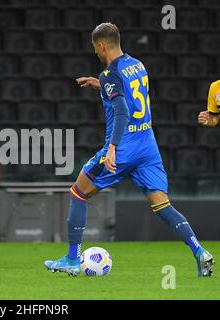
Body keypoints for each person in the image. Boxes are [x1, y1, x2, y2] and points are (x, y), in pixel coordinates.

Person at [44, 23, 213, 277]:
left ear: (101, 45)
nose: (96, 54)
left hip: (124, 146)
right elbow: (131, 95)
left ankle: (71, 259)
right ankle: (199, 251)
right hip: (148, 146)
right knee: (162, 205)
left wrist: (112, 148)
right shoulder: (137, 64)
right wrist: (99, 85)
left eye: (95, 49)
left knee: (78, 192)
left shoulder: (109, 74)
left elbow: (122, 110)